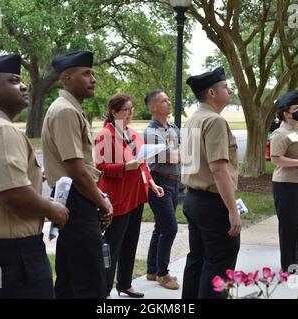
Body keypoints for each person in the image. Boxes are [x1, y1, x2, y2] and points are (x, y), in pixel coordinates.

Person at [0, 54, 69, 298]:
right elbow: (14, 196)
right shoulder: (1, 130)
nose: (24, 86)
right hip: (11, 256)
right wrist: (52, 209)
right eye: (14, 80)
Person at [42, 50, 113, 299]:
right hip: (75, 199)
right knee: (90, 283)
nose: (93, 78)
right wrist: (102, 202)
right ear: (68, 78)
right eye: (86, 73)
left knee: (72, 279)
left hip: (76, 198)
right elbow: (76, 169)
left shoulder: (70, 108)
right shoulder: (65, 111)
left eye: (93, 73)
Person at [94, 93, 164, 298]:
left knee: (131, 242)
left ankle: (124, 283)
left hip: (136, 195)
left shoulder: (133, 133)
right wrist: (125, 167)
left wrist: (151, 183)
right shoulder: (105, 135)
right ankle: (104, 288)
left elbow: (141, 162)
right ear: (113, 112)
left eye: (131, 110)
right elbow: (100, 166)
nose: (129, 114)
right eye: (125, 110)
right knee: (113, 245)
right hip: (117, 197)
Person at [181, 67, 241, 299]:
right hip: (213, 203)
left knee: (197, 260)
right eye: (225, 87)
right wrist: (232, 210)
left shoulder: (194, 119)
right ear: (212, 93)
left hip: (194, 199)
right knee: (219, 266)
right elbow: (218, 169)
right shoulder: (214, 121)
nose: (230, 90)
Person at [270, 89, 298, 274]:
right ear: (286, 113)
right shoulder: (281, 133)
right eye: (296, 107)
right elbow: (276, 158)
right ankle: (290, 266)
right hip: (287, 185)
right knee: (289, 227)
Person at [143, 89, 181, 290]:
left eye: (168, 99)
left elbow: (182, 152)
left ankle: (151, 270)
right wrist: (178, 153)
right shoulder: (151, 132)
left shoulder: (173, 127)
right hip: (159, 182)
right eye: (163, 101)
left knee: (161, 227)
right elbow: (172, 157)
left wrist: (178, 152)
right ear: (153, 107)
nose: (168, 102)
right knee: (170, 227)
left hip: (174, 182)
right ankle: (162, 274)